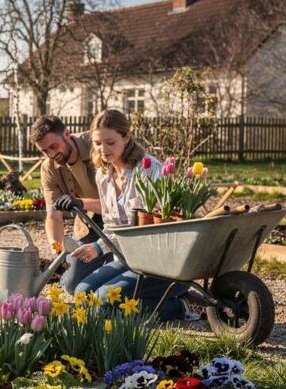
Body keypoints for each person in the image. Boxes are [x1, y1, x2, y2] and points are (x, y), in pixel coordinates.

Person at [64, 110, 192, 320]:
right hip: (128, 259)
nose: (103, 149)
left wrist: (99, 247)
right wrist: (99, 247)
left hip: (158, 263)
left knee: (103, 304)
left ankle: (179, 307)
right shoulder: (103, 175)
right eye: (97, 143)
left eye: (110, 142)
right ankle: (162, 302)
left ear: (126, 137)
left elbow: (158, 228)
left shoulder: (148, 170)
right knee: (82, 294)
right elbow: (111, 226)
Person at [29, 115, 104, 293]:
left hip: (121, 220)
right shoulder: (49, 168)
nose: (52, 155)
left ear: (67, 133)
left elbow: (119, 204)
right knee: (70, 284)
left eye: (54, 146)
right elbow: (54, 215)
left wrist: (80, 203)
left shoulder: (98, 147)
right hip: (89, 224)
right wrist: (57, 249)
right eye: (44, 151)